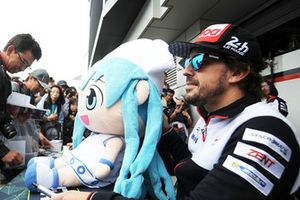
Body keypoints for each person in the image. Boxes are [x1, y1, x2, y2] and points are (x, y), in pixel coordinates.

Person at [52, 23, 300, 200]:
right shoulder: (210, 118)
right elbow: (190, 166)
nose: (185, 71)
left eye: (199, 61)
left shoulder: (265, 131)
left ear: (237, 72)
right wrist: (166, 131)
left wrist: (92, 199)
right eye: (185, 62)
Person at [0, 34, 41, 183]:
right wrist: (2, 152)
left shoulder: (5, 77)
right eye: (23, 61)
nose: (22, 69)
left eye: (27, 66)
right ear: (11, 50)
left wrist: (15, 116)